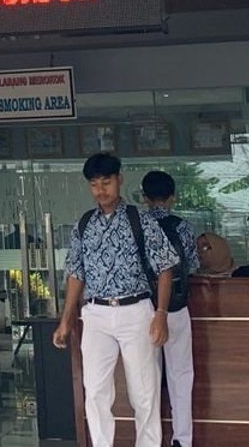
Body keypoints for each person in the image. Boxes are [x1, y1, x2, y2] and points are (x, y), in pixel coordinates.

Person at [53, 153, 181, 447]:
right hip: (96, 313)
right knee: (95, 390)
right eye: (94, 184)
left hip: (136, 311)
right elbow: (76, 273)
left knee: (144, 391)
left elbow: (165, 268)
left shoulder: (141, 220)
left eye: (106, 182)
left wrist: (161, 313)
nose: (101, 190)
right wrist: (66, 320)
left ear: (119, 179)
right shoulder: (84, 224)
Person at [142, 170, 200, 447]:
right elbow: (193, 265)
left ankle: (150, 438)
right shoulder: (182, 227)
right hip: (176, 307)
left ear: (144, 198)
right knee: (181, 374)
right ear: (173, 197)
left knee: (146, 377)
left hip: (144, 309)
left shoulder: (138, 226)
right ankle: (182, 439)